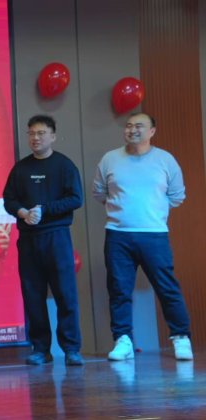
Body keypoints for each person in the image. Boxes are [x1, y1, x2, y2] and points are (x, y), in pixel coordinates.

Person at [92, 112, 193, 361]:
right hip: (118, 235)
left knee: (167, 288)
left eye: (139, 126)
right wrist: (122, 210)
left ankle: (181, 337)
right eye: (128, 126)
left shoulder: (165, 160)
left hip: (154, 235)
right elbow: (99, 192)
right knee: (119, 290)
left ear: (152, 131)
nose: (132, 130)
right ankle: (123, 340)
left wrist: (152, 212)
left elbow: (177, 195)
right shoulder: (110, 159)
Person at [2, 115, 84, 366]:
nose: (35, 138)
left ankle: (71, 349)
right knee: (33, 295)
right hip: (28, 239)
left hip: (57, 237)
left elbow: (76, 199)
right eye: (31, 133)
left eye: (41, 133)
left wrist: (44, 209)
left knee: (65, 295)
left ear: (53, 136)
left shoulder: (64, 165)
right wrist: (23, 212)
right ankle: (40, 349)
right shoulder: (21, 168)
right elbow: (9, 199)